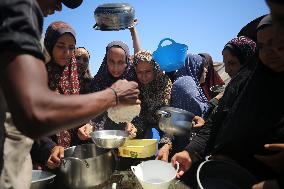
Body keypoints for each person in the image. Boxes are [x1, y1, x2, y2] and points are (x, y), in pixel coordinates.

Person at [0, 0, 139, 188]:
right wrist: (113, 95)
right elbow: (34, 112)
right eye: (60, 46)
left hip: (57, 155)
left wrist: (85, 127)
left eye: (71, 48)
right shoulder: (18, 10)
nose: (59, 7)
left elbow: (75, 113)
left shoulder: (75, 75)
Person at [172, 15, 284, 187]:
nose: (270, 52)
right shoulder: (243, 80)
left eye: (278, 44)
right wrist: (190, 152)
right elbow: (216, 123)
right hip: (224, 172)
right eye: (262, 46)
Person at [132, 50, 172, 140]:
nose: (143, 76)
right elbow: (137, 114)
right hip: (141, 128)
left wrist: (166, 141)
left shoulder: (163, 83)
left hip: (164, 128)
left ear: (154, 69)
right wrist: (134, 129)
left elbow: (167, 114)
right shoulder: (134, 84)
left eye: (148, 71)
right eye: (139, 72)